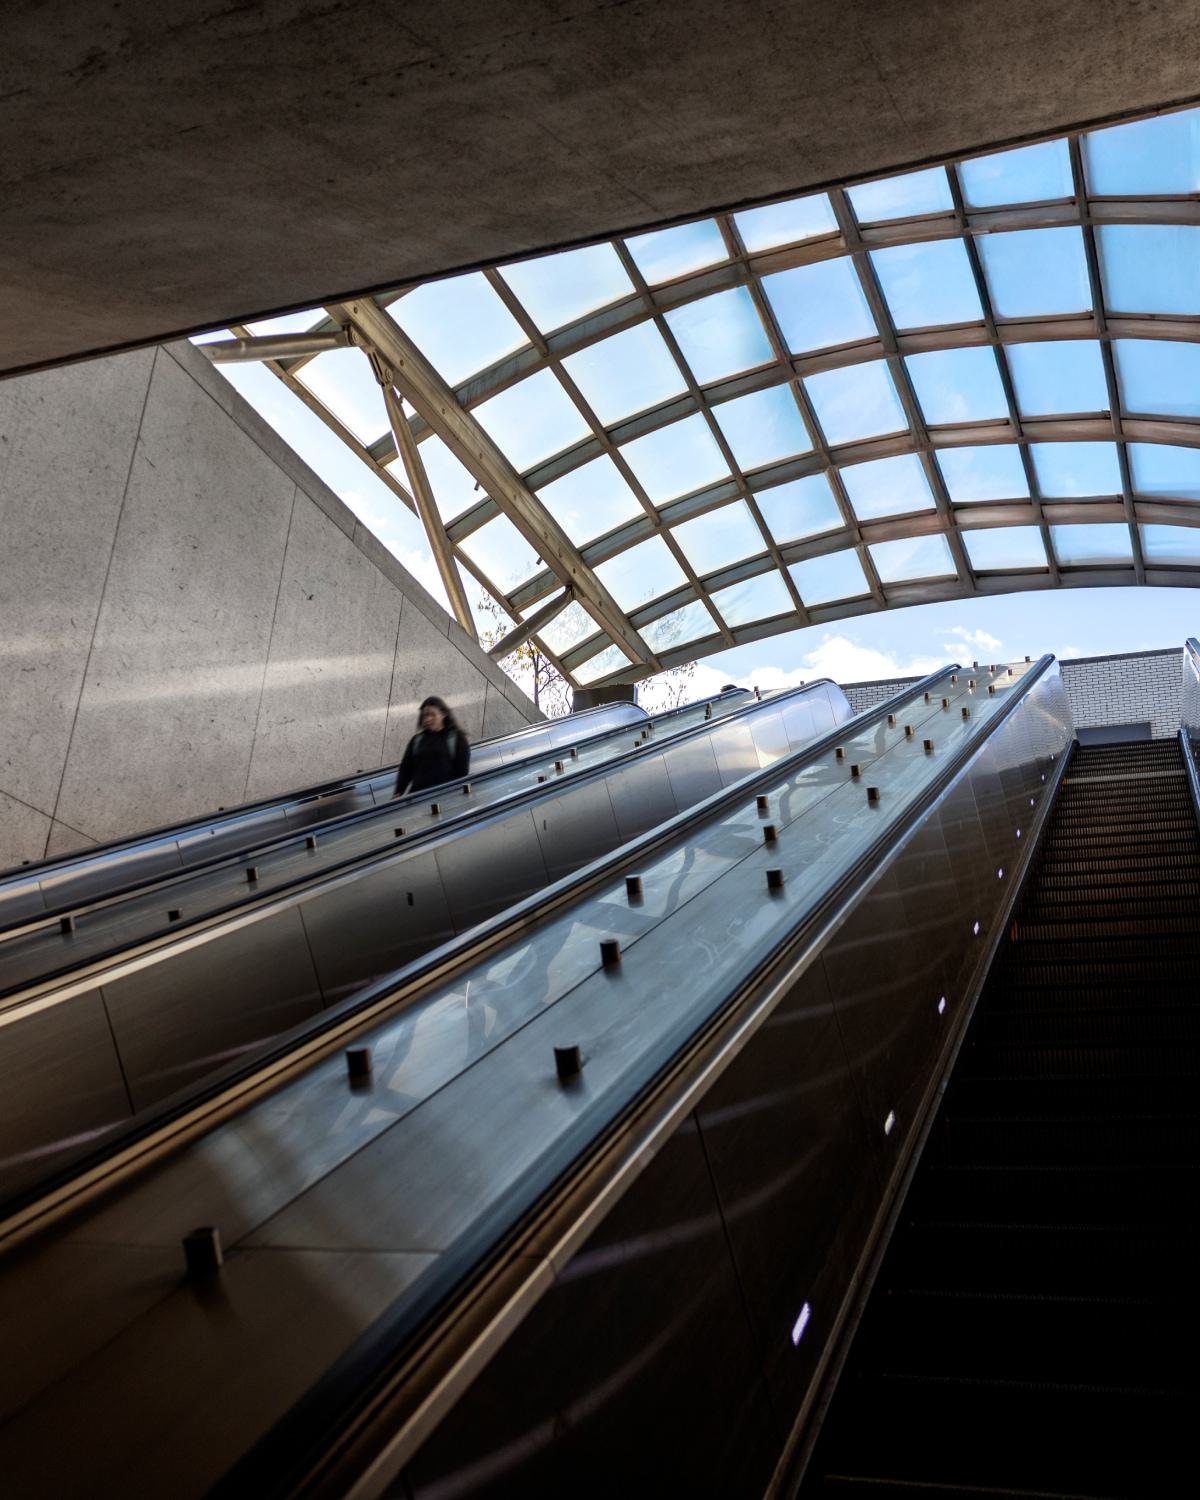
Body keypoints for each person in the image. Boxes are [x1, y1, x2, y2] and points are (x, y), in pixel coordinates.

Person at [395, 696, 470, 796]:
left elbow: (462, 773)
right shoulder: (416, 740)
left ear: (443, 714)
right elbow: (405, 770)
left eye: (432, 715)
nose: (428, 719)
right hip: (418, 798)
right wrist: (398, 793)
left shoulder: (456, 739)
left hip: (447, 797)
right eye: (425, 715)